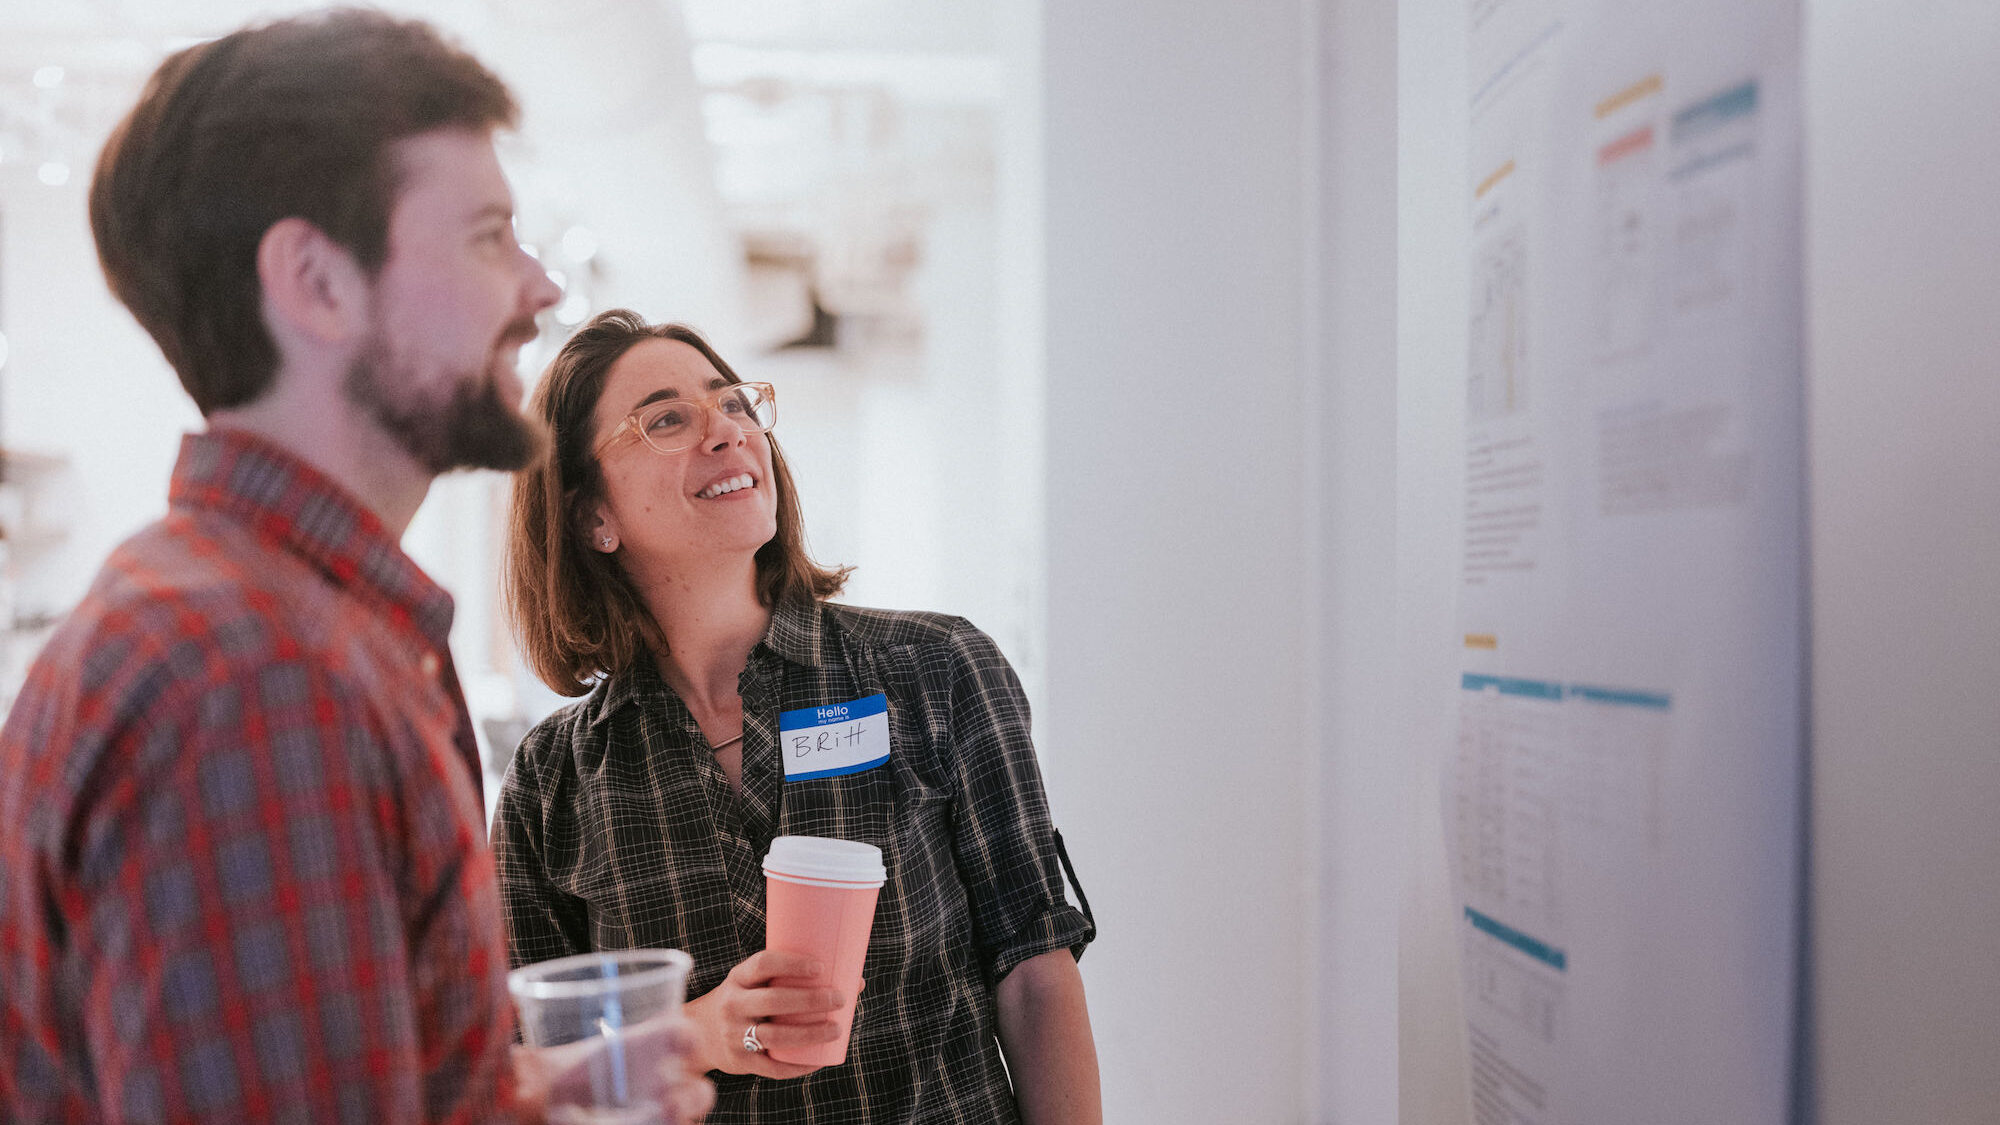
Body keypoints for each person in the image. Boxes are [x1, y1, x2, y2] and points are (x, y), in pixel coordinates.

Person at [0, 12, 708, 1123]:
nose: (537, 287)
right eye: (485, 236)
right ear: (318, 282)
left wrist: (515, 1097)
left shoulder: (250, 619)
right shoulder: (262, 680)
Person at [493, 310, 1103, 1124]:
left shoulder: (934, 669)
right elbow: (515, 1068)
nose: (727, 431)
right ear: (589, 516)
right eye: (668, 418)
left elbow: (1035, 972)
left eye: (735, 403)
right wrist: (698, 1031)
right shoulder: (553, 780)